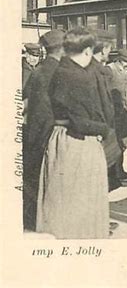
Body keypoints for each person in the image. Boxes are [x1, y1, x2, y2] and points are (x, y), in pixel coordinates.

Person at [36, 27, 111, 238]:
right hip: (77, 143)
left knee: (63, 198)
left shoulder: (60, 70)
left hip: (61, 140)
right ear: (87, 51)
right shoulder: (76, 76)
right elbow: (81, 121)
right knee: (78, 204)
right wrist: (103, 130)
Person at [23, 30, 65, 231]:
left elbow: (25, 99)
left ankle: (30, 217)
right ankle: (46, 221)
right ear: (63, 48)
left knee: (33, 175)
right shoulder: (60, 71)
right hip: (51, 130)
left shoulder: (38, 69)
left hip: (34, 129)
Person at [90, 33, 123, 191]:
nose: (109, 53)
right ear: (103, 50)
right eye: (109, 49)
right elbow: (101, 102)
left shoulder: (94, 68)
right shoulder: (100, 71)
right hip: (100, 126)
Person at [107, 49, 127, 180]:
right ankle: (112, 173)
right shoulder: (110, 70)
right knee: (113, 142)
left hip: (124, 111)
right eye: (125, 61)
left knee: (122, 142)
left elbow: (126, 92)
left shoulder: (124, 71)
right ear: (118, 59)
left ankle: (119, 170)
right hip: (113, 112)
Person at [22, 42, 41, 109]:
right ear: (26, 55)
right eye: (32, 55)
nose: (34, 59)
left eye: (37, 56)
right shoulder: (22, 70)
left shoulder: (38, 69)